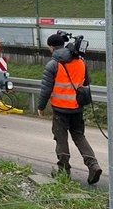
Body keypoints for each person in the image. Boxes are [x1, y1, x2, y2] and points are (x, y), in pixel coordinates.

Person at [37, 33, 102, 185]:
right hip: (77, 107)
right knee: (79, 136)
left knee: (61, 139)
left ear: (51, 47)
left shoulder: (53, 64)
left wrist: (41, 106)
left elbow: (46, 89)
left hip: (60, 109)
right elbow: (87, 81)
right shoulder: (80, 60)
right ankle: (93, 166)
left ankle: (64, 171)